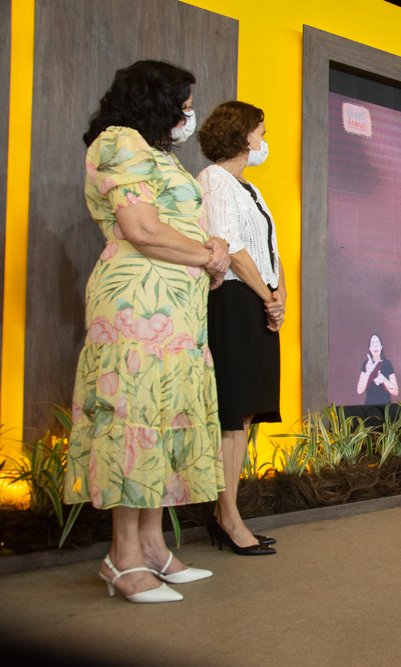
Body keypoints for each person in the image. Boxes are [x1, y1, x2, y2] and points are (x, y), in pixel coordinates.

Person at [65, 60, 231, 603]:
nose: (189, 113)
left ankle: (154, 548)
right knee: (133, 418)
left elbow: (182, 225)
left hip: (178, 310)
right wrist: (208, 254)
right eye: (183, 102)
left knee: (164, 418)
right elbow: (140, 228)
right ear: (155, 99)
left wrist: (212, 251)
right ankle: (122, 557)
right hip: (137, 303)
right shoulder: (117, 142)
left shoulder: (157, 154)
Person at [196, 101, 284, 555]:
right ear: (243, 135)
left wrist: (279, 295)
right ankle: (228, 518)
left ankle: (224, 515)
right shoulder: (214, 179)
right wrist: (267, 296)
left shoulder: (249, 188)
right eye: (261, 132)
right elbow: (229, 248)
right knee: (232, 414)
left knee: (246, 413)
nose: (264, 141)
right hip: (233, 301)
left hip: (257, 301)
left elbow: (270, 249)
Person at [356, 334, 399, 404]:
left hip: (385, 408)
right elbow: (359, 390)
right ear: (369, 348)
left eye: (377, 343)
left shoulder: (387, 363)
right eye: (372, 344)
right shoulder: (366, 364)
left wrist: (383, 379)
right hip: (369, 407)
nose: (375, 346)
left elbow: (395, 392)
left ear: (381, 347)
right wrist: (368, 372)